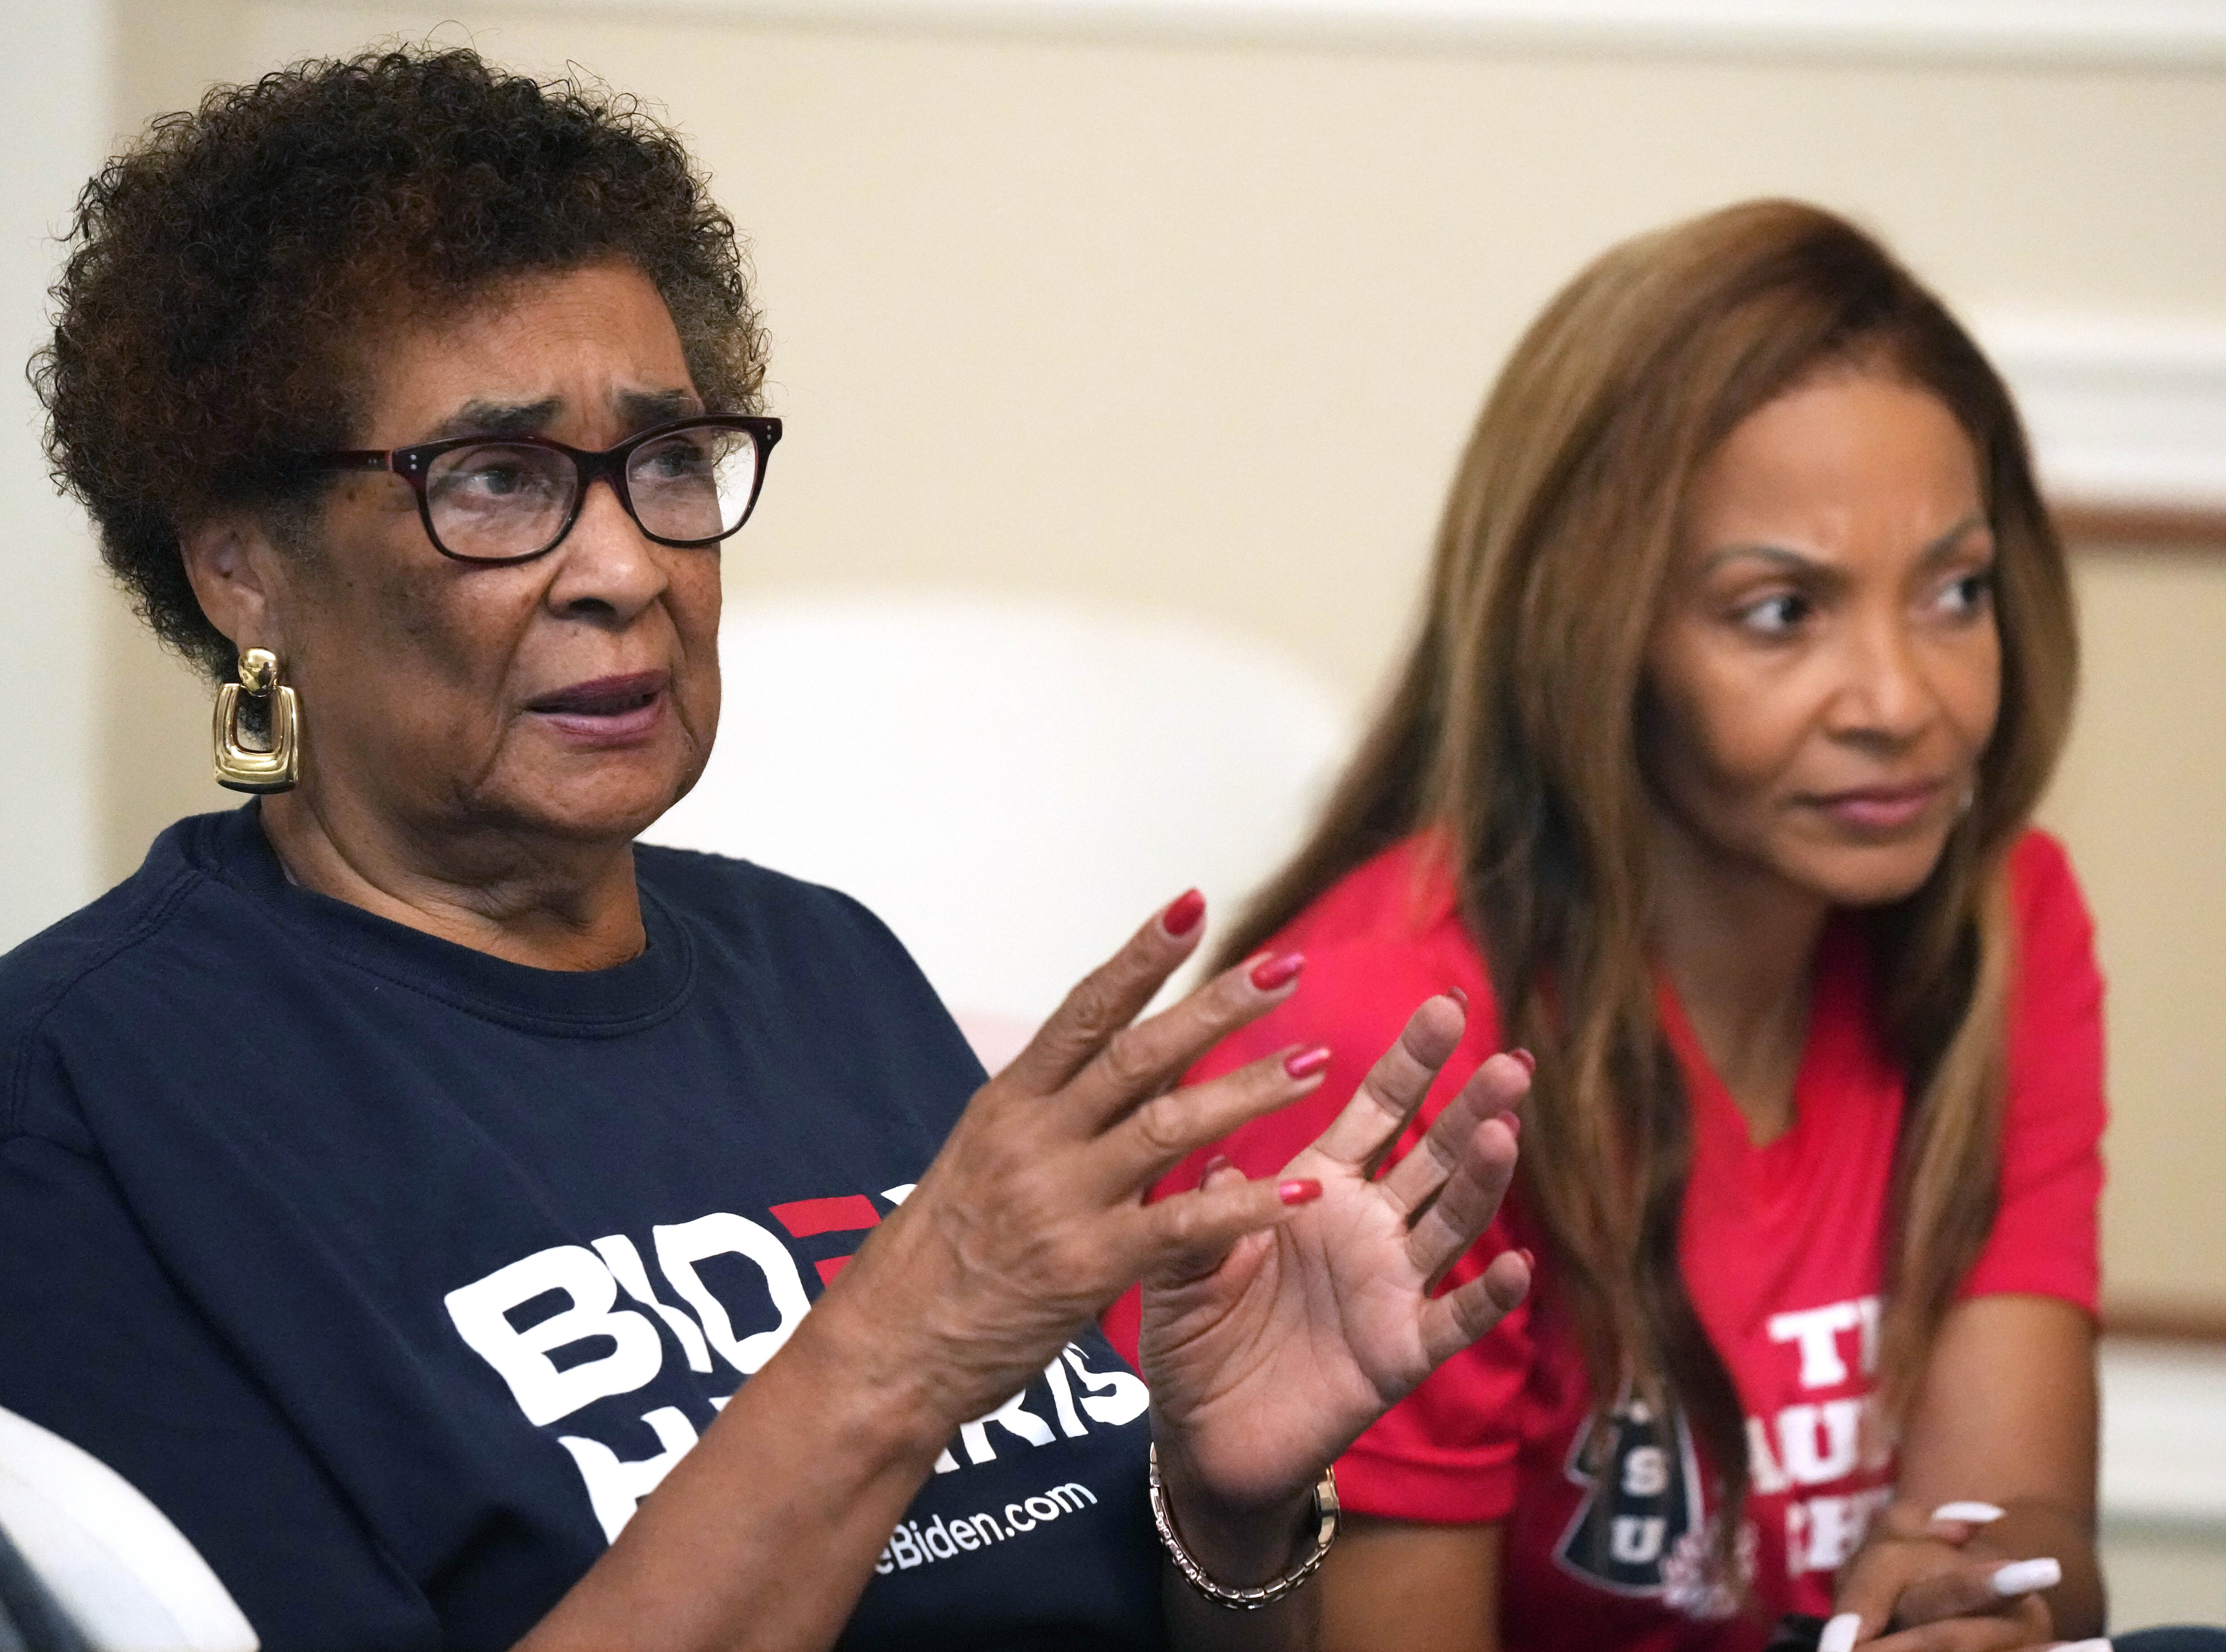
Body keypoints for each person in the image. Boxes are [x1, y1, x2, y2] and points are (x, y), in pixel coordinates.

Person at [0, 48, 1535, 1651]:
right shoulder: (80, 1107)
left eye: (668, 462)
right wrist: (898, 1341)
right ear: (243, 568)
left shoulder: (827, 966)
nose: (625, 564)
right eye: (498, 479)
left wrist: (1227, 1514)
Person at [1106, 202, 2106, 1652]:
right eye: (1779, 612)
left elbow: (2030, 1528)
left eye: (1954, 591)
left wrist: (1977, 1596)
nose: (1901, 699)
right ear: (1590, 628)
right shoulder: (1402, 1038)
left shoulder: (2004, 916)